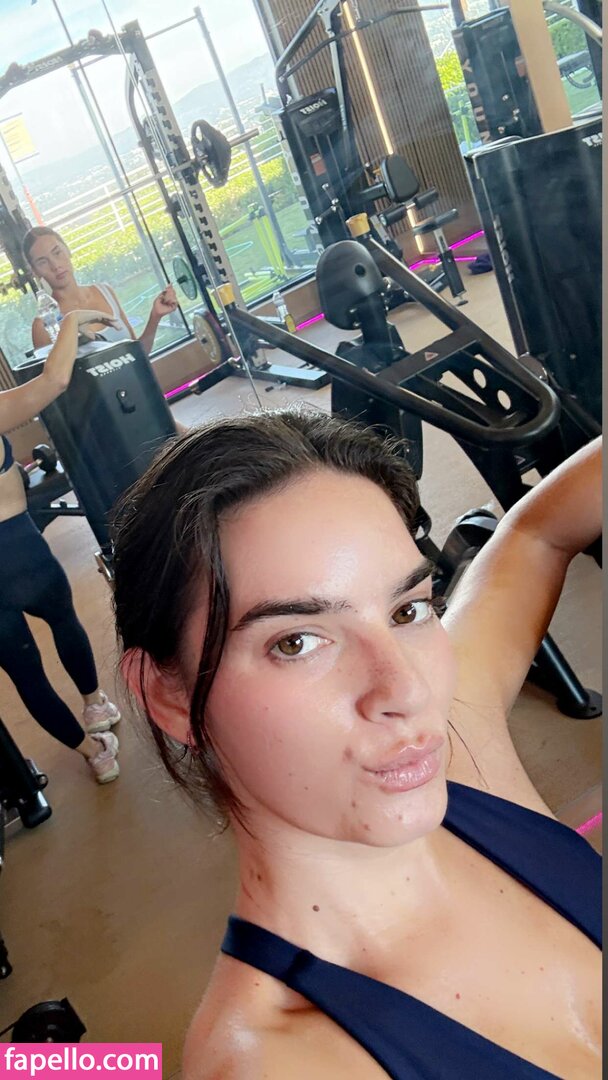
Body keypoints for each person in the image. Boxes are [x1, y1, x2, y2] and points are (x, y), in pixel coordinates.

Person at [113, 410, 601, 1079]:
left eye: (407, 610)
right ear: (168, 696)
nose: (406, 690)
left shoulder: (459, 754)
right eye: (296, 642)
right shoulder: (278, 1067)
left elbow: (537, 534)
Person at [1, 309, 121, 784]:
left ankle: (95, 754)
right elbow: (55, 379)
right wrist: (69, 321)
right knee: (63, 621)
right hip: (19, 553)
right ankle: (95, 706)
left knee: (25, 675)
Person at [22, 226, 178, 354]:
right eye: (43, 262)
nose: (55, 265)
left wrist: (155, 316)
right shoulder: (44, 325)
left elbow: (138, 354)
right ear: (35, 272)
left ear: (67, 250)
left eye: (57, 253)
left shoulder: (104, 291)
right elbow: (52, 380)